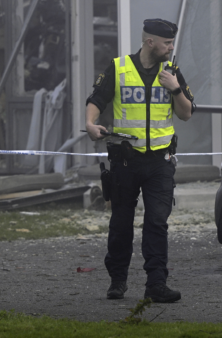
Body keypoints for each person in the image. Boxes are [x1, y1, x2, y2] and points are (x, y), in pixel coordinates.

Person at [84, 18, 195, 303]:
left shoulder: (172, 72)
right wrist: (90, 123)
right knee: (121, 222)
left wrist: (176, 89)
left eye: (171, 43)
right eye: (167, 43)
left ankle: (156, 284)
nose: (171, 48)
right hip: (126, 160)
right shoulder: (119, 67)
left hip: (160, 161)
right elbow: (97, 98)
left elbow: (186, 113)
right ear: (150, 43)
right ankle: (117, 281)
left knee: (157, 222)